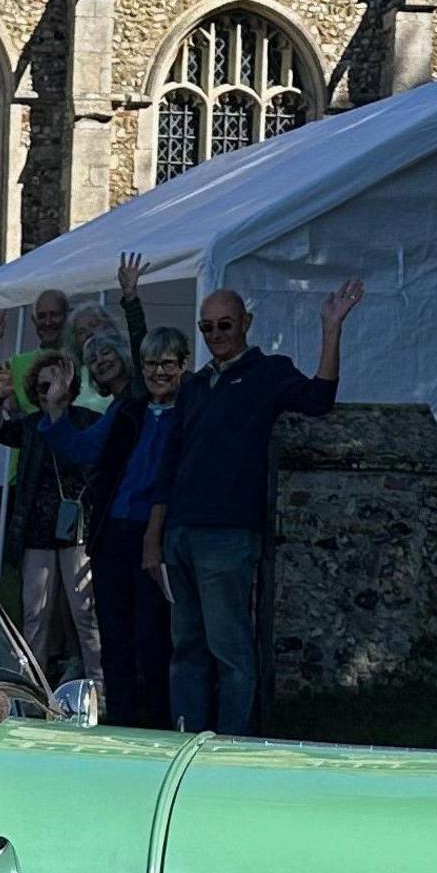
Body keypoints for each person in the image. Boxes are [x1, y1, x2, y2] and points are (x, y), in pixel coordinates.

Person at [146, 277, 362, 735]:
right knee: (186, 647)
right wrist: (155, 537)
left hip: (226, 533)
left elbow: (319, 399)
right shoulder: (196, 385)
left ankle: (232, 745)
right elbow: (169, 463)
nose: (217, 334)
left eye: (225, 325)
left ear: (245, 323)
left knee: (230, 650)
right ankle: (187, 739)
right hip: (182, 531)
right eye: (207, 328)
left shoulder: (267, 373)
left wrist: (331, 329)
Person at [0, 305, 107, 684]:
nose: (50, 393)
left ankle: (99, 688)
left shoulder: (87, 421)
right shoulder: (31, 426)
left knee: (85, 613)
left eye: (57, 384)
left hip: (77, 530)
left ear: (71, 386)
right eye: (43, 387)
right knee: (35, 613)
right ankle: (36, 691)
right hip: (37, 532)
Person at [87, 306, 188, 727]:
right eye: (150, 363)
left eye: (167, 363)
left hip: (157, 535)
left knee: (152, 637)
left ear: (183, 366)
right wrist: (51, 413)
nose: (158, 372)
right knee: (114, 635)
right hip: (114, 533)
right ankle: (122, 722)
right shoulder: (131, 411)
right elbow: (87, 452)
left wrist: (132, 302)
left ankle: (157, 725)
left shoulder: (190, 413)